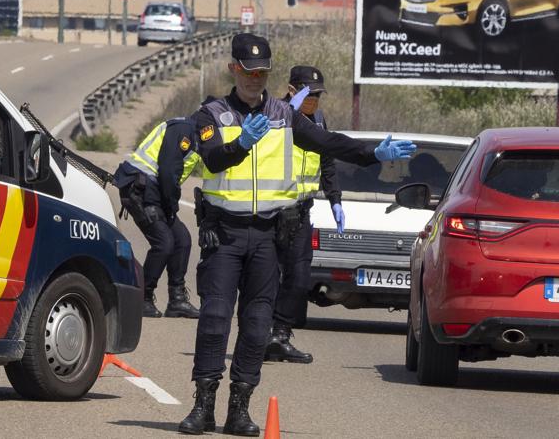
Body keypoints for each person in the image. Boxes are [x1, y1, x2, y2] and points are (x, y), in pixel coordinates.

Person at [178, 33, 417, 436]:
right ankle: (203, 406)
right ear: (234, 69)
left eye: (263, 72)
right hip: (226, 235)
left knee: (256, 324)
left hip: (269, 236)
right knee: (216, 319)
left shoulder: (284, 114)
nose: (256, 79)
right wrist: (242, 145)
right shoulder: (211, 113)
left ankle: (240, 408)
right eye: (249, 71)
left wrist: (373, 152)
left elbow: (328, 142)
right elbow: (213, 158)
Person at [265, 65, 338, 365]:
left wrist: (335, 199)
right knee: (265, 277)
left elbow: (328, 158)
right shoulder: (272, 114)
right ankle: (258, 334)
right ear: (293, 90)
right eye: (309, 94)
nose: (314, 101)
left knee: (299, 278)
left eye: (318, 95)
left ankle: (280, 336)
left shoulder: (318, 120)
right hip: (271, 209)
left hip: (302, 211)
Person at [114, 117, 202, 319]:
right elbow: (168, 170)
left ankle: (177, 300)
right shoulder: (184, 130)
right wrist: (172, 203)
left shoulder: (196, 136)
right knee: (164, 243)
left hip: (155, 191)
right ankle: (142, 298)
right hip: (139, 188)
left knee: (182, 240)